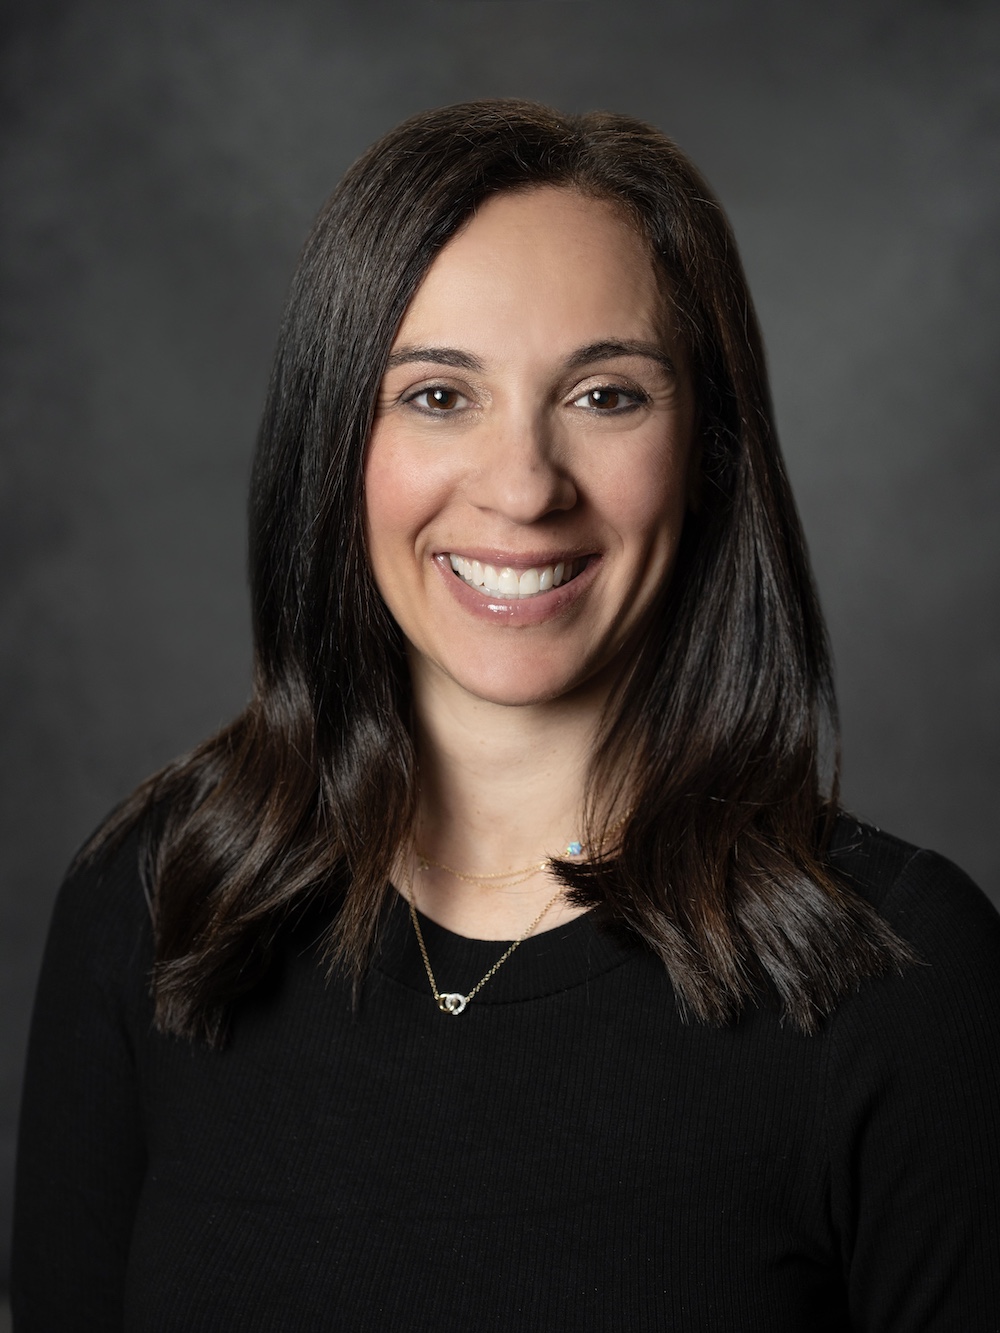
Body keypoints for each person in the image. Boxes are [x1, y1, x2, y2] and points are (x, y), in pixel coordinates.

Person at [11, 100, 1000, 1330]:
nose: (525, 487)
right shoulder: (155, 901)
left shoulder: (897, 978)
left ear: (707, 447)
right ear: (335, 439)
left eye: (604, 395)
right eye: (436, 396)